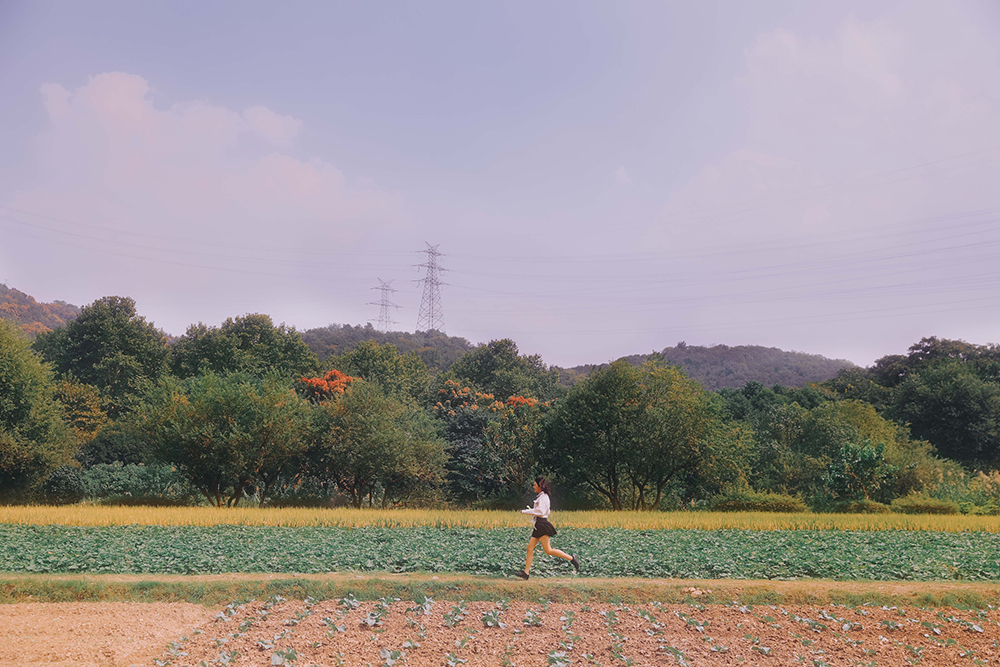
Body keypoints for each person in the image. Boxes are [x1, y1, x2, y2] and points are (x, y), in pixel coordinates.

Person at [515, 476, 580, 579]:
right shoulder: (541, 497)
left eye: (535, 485)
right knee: (530, 548)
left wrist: (525, 511)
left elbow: (540, 512)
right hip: (539, 525)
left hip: (542, 525)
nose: (533, 487)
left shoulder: (543, 497)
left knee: (548, 550)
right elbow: (543, 511)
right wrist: (530, 511)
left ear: (540, 486)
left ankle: (572, 558)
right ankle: (526, 573)